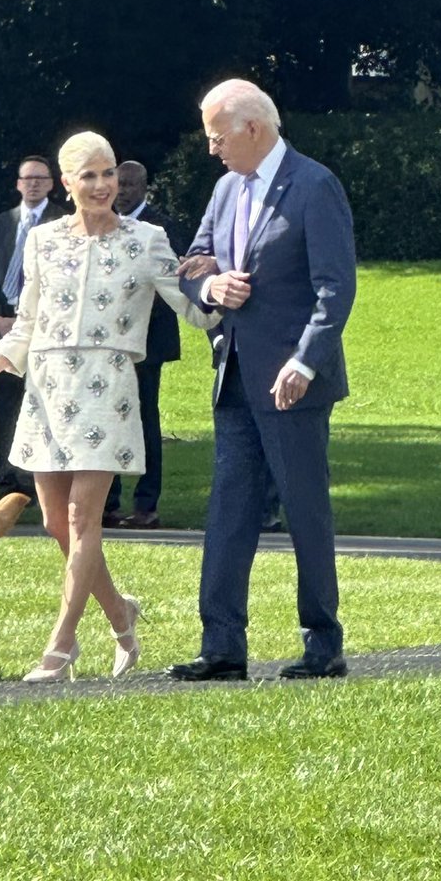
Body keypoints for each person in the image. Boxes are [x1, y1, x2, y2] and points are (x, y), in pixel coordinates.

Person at [0, 132, 217, 682]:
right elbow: (26, 324)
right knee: (56, 522)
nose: (103, 186)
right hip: (48, 389)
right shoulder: (43, 240)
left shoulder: (145, 239)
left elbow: (194, 308)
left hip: (108, 386)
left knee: (83, 517)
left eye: (109, 175)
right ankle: (120, 613)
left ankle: (61, 645)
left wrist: (221, 287)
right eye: (90, 176)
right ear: (67, 182)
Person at [167, 79, 356, 682]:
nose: (212, 149)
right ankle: (222, 647)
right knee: (228, 512)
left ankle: (322, 644)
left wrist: (305, 361)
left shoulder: (314, 185)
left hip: (292, 382)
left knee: (305, 512)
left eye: (217, 136)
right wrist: (209, 286)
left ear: (253, 128)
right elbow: (194, 258)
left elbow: (336, 287)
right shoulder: (225, 190)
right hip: (235, 378)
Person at [102, 160, 185, 530]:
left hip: (148, 342)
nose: (123, 193)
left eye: (130, 186)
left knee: (144, 419)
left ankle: (146, 505)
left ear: (144, 186)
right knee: (109, 419)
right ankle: (107, 502)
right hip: (109, 344)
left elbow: (169, 288)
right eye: (118, 185)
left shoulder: (160, 227)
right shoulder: (103, 224)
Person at [0, 155, 66, 500]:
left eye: (39, 179)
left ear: (51, 184)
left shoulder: (62, 222)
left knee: (43, 404)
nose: (32, 184)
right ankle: (7, 478)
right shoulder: (4, 222)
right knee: (4, 404)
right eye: (26, 178)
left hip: (43, 329)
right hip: (2, 329)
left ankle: (37, 480)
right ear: (18, 184)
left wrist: (29, 318)